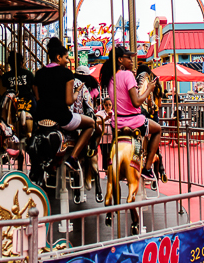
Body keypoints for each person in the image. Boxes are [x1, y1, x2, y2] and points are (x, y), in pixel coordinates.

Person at [100, 46, 161, 182]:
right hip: (134, 121)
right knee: (158, 129)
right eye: (129, 58)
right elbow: (136, 102)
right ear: (120, 60)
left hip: (118, 122)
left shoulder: (110, 77)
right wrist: (149, 89)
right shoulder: (127, 75)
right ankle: (147, 167)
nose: (132, 60)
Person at [33, 37, 94, 172]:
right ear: (58, 57)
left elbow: (38, 98)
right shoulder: (66, 74)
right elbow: (68, 101)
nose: (67, 61)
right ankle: (73, 157)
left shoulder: (38, 74)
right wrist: (77, 92)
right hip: (61, 117)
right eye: (66, 58)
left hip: (41, 117)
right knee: (91, 124)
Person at [1, 51, 36, 115]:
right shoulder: (29, 74)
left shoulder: (5, 76)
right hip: (28, 102)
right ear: (21, 63)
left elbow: (3, 89)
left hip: (12, 103)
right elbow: (34, 88)